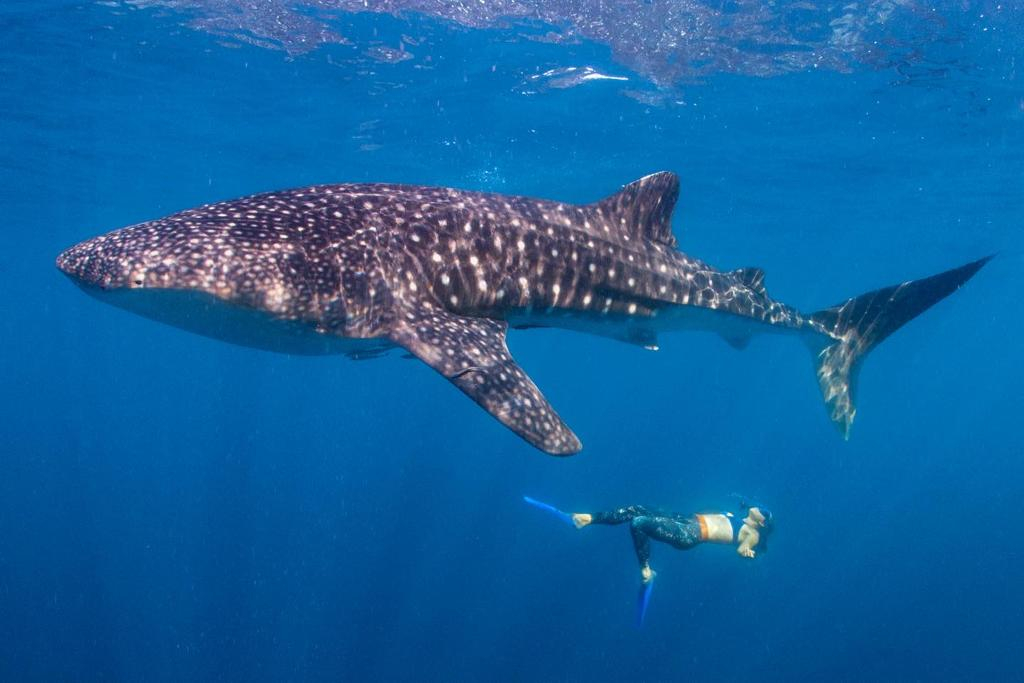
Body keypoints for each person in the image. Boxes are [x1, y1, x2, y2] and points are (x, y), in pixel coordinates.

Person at [523, 496, 773, 624]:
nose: (758, 507)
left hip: (690, 534)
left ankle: (646, 571)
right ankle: (587, 519)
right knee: (636, 509)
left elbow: (742, 551)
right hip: (685, 520)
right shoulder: (738, 516)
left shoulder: (751, 534)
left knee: (639, 524)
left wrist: (748, 554)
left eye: (762, 510)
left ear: (762, 521)